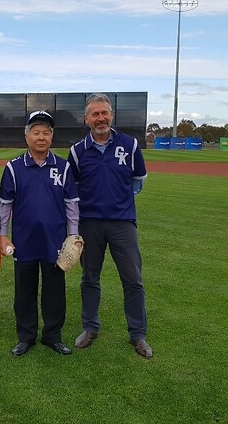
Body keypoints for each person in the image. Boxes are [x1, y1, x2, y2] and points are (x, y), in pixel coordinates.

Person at [67, 93, 152, 358]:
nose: (100, 118)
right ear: (86, 119)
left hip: (122, 224)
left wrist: (117, 201)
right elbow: (73, 189)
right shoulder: (78, 151)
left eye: (104, 113)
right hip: (90, 224)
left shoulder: (129, 145)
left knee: (133, 280)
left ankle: (137, 335)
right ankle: (90, 328)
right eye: (95, 114)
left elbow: (138, 180)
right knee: (89, 279)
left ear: (111, 115)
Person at [0, 111, 81, 356]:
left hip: (54, 242)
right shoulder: (13, 168)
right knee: (24, 291)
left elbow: (72, 204)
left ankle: (53, 336)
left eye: (46, 132)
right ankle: (26, 337)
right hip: (23, 241)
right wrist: (3, 235)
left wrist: (74, 236)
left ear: (52, 137)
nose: (41, 137)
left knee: (55, 291)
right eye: (36, 132)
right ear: (27, 137)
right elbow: (5, 204)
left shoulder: (64, 167)